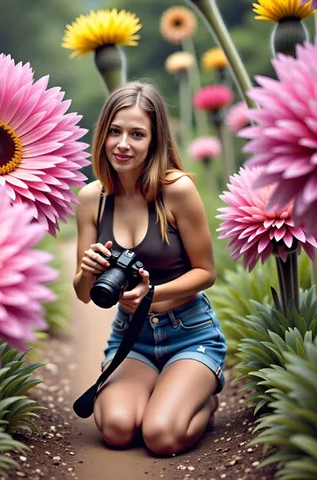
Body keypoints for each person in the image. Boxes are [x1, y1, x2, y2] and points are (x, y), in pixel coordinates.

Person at [73, 81, 227, 456]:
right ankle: (162, 393)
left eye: (137, 134)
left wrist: (154, 293)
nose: (123, 144)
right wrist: (87, 270)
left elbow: (206, 273)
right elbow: (83, 293)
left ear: (154, 141)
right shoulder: (92, 199)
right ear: (103, 134)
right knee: (118, 429)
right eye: (115, 131)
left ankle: (202, 403)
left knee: (160, 437)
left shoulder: (176, 190)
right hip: (132, 338)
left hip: (189, 333)